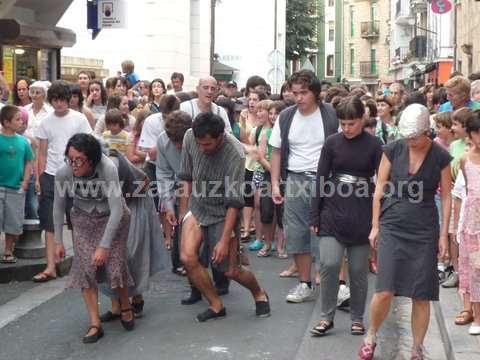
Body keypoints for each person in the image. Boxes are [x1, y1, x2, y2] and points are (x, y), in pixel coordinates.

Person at [359, 104, 452, 360]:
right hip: (393, 222)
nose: (410, 142)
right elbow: (379, 188)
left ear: (427, 132)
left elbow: (445, 197)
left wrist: (444, 235)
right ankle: (371, 334)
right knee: (385, 288)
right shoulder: (393, 149)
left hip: (424, 227)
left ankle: (417, 348)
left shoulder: (440, 157)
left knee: (421, 294)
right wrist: (375, 225)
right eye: (407, 137)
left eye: (414, 137)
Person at [178, 112, 270, 322]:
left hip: (224, 211)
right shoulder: (189, 136)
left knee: (231, 270)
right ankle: (216, 304)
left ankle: (259, 293)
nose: (203, 148)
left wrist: (223, 240)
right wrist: (183, 213)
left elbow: (234, 203)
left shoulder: (234, 153)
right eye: (200, 143)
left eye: (208, 144)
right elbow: (186, 177)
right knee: (187, 257)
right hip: (198, 205)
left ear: (220, 137)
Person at [309, 96, 382, 336]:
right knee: (329, 263)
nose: (347, 128)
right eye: (343, 123)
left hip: (362, 209)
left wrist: (378, 221)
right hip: (332, 207)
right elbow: (320, 178)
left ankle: (357, 318)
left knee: (359, 271)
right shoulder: (332, 142)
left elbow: (383, 183)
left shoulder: (374, 144)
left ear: (363, 119)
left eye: (352, 123)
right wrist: (314, 215)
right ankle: (326, 317)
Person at [54, 134, 134, 343]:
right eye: (70, 158)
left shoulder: (108, 168)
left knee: (115, 266)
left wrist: (104, 246)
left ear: (92, 159)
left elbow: (117, 210)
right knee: (85, 269)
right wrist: (58, 241)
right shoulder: (64, 172)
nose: (74, 164)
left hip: (112, 217)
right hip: (83, 219)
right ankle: (94, 323)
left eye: (79, 159)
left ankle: (125, 305)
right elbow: (59, 205)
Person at [269, 70, 338, 303]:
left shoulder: (330, 115)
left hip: (325, 180)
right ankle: (304, 284)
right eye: (295, 93)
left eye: (304, 93)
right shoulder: (286, 117)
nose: (298, 98)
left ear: (316, 93)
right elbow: (276, 151)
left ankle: (334, 285)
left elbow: (341, 147)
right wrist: (275, 185)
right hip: (295, 179)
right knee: (296, 232)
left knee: (328, 232)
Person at [33, 80, 92, 283]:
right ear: (51, 100)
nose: (59, 104)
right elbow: (41, 153)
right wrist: (40, 178)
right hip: (50, 175)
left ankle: (81, 265)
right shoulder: (45, 122)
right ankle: (50, 267)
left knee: (77, 221)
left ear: (69, 100)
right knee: (50, 223)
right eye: (55, 100)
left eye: (62, 100)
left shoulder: (79, 119)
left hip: (75, 175)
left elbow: (88, 147)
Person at [99, 147, 166, 321]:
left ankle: (137, 297)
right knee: (111, 256)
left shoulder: (114, 163)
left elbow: (144, 181)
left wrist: (126, 197)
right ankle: (116, 305)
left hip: (136, 205)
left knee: (132, 253)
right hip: (111, 209)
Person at [0, 105, 34, 264]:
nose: (22, 122)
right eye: (18, 119)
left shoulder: (23, 142)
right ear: (6, 122)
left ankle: (8, 250)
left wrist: (26, 181)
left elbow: (29, 162)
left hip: (16, 187)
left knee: (13, 221)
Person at [458, 111, 480, 335]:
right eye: (476, 132)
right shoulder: (465, 159)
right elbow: (467, 191)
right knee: (474, 270)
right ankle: (477, 315)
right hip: (473, 224)